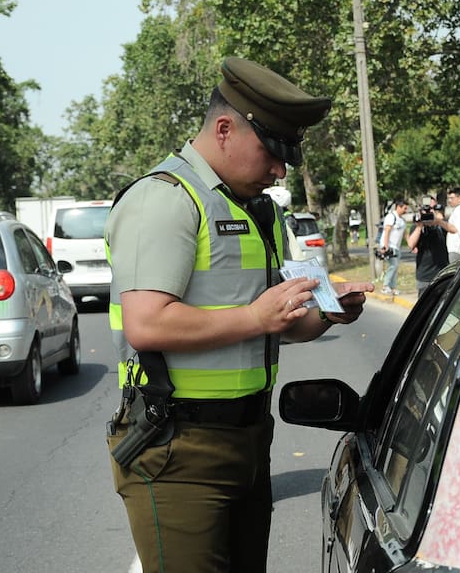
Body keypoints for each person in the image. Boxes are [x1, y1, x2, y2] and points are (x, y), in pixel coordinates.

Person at [104, 57, 373, 573]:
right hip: (177, 447)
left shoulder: (258, 210)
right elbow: (147, 324)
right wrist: (256, 317)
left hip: (249, 438)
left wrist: (326, 315)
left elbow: (277, 322)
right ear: (224, 129)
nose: (280, 171)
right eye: (271, 152)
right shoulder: (164, 200)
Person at [407, 194, 448, 297]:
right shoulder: (417, 226)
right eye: (428, 208)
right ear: (421, 209)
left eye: (433, 208)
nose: (430, 211)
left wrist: (438, 221)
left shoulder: (440, 224)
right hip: (425, 276)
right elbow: (411, 245)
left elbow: (454, 230)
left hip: (443, 273)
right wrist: (420, 226)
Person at [379, 196, 409, 295]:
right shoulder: (391, 217)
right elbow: (387, 231)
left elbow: (405, 234)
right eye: (404, 208)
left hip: (397, 247)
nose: (405, 210)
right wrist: (385, 246)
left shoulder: (402, 220)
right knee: (393, 265)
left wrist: (411, 245)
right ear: (398, 207)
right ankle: (385, 286)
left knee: (395, 267)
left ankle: (393, 287)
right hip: (389, 246)